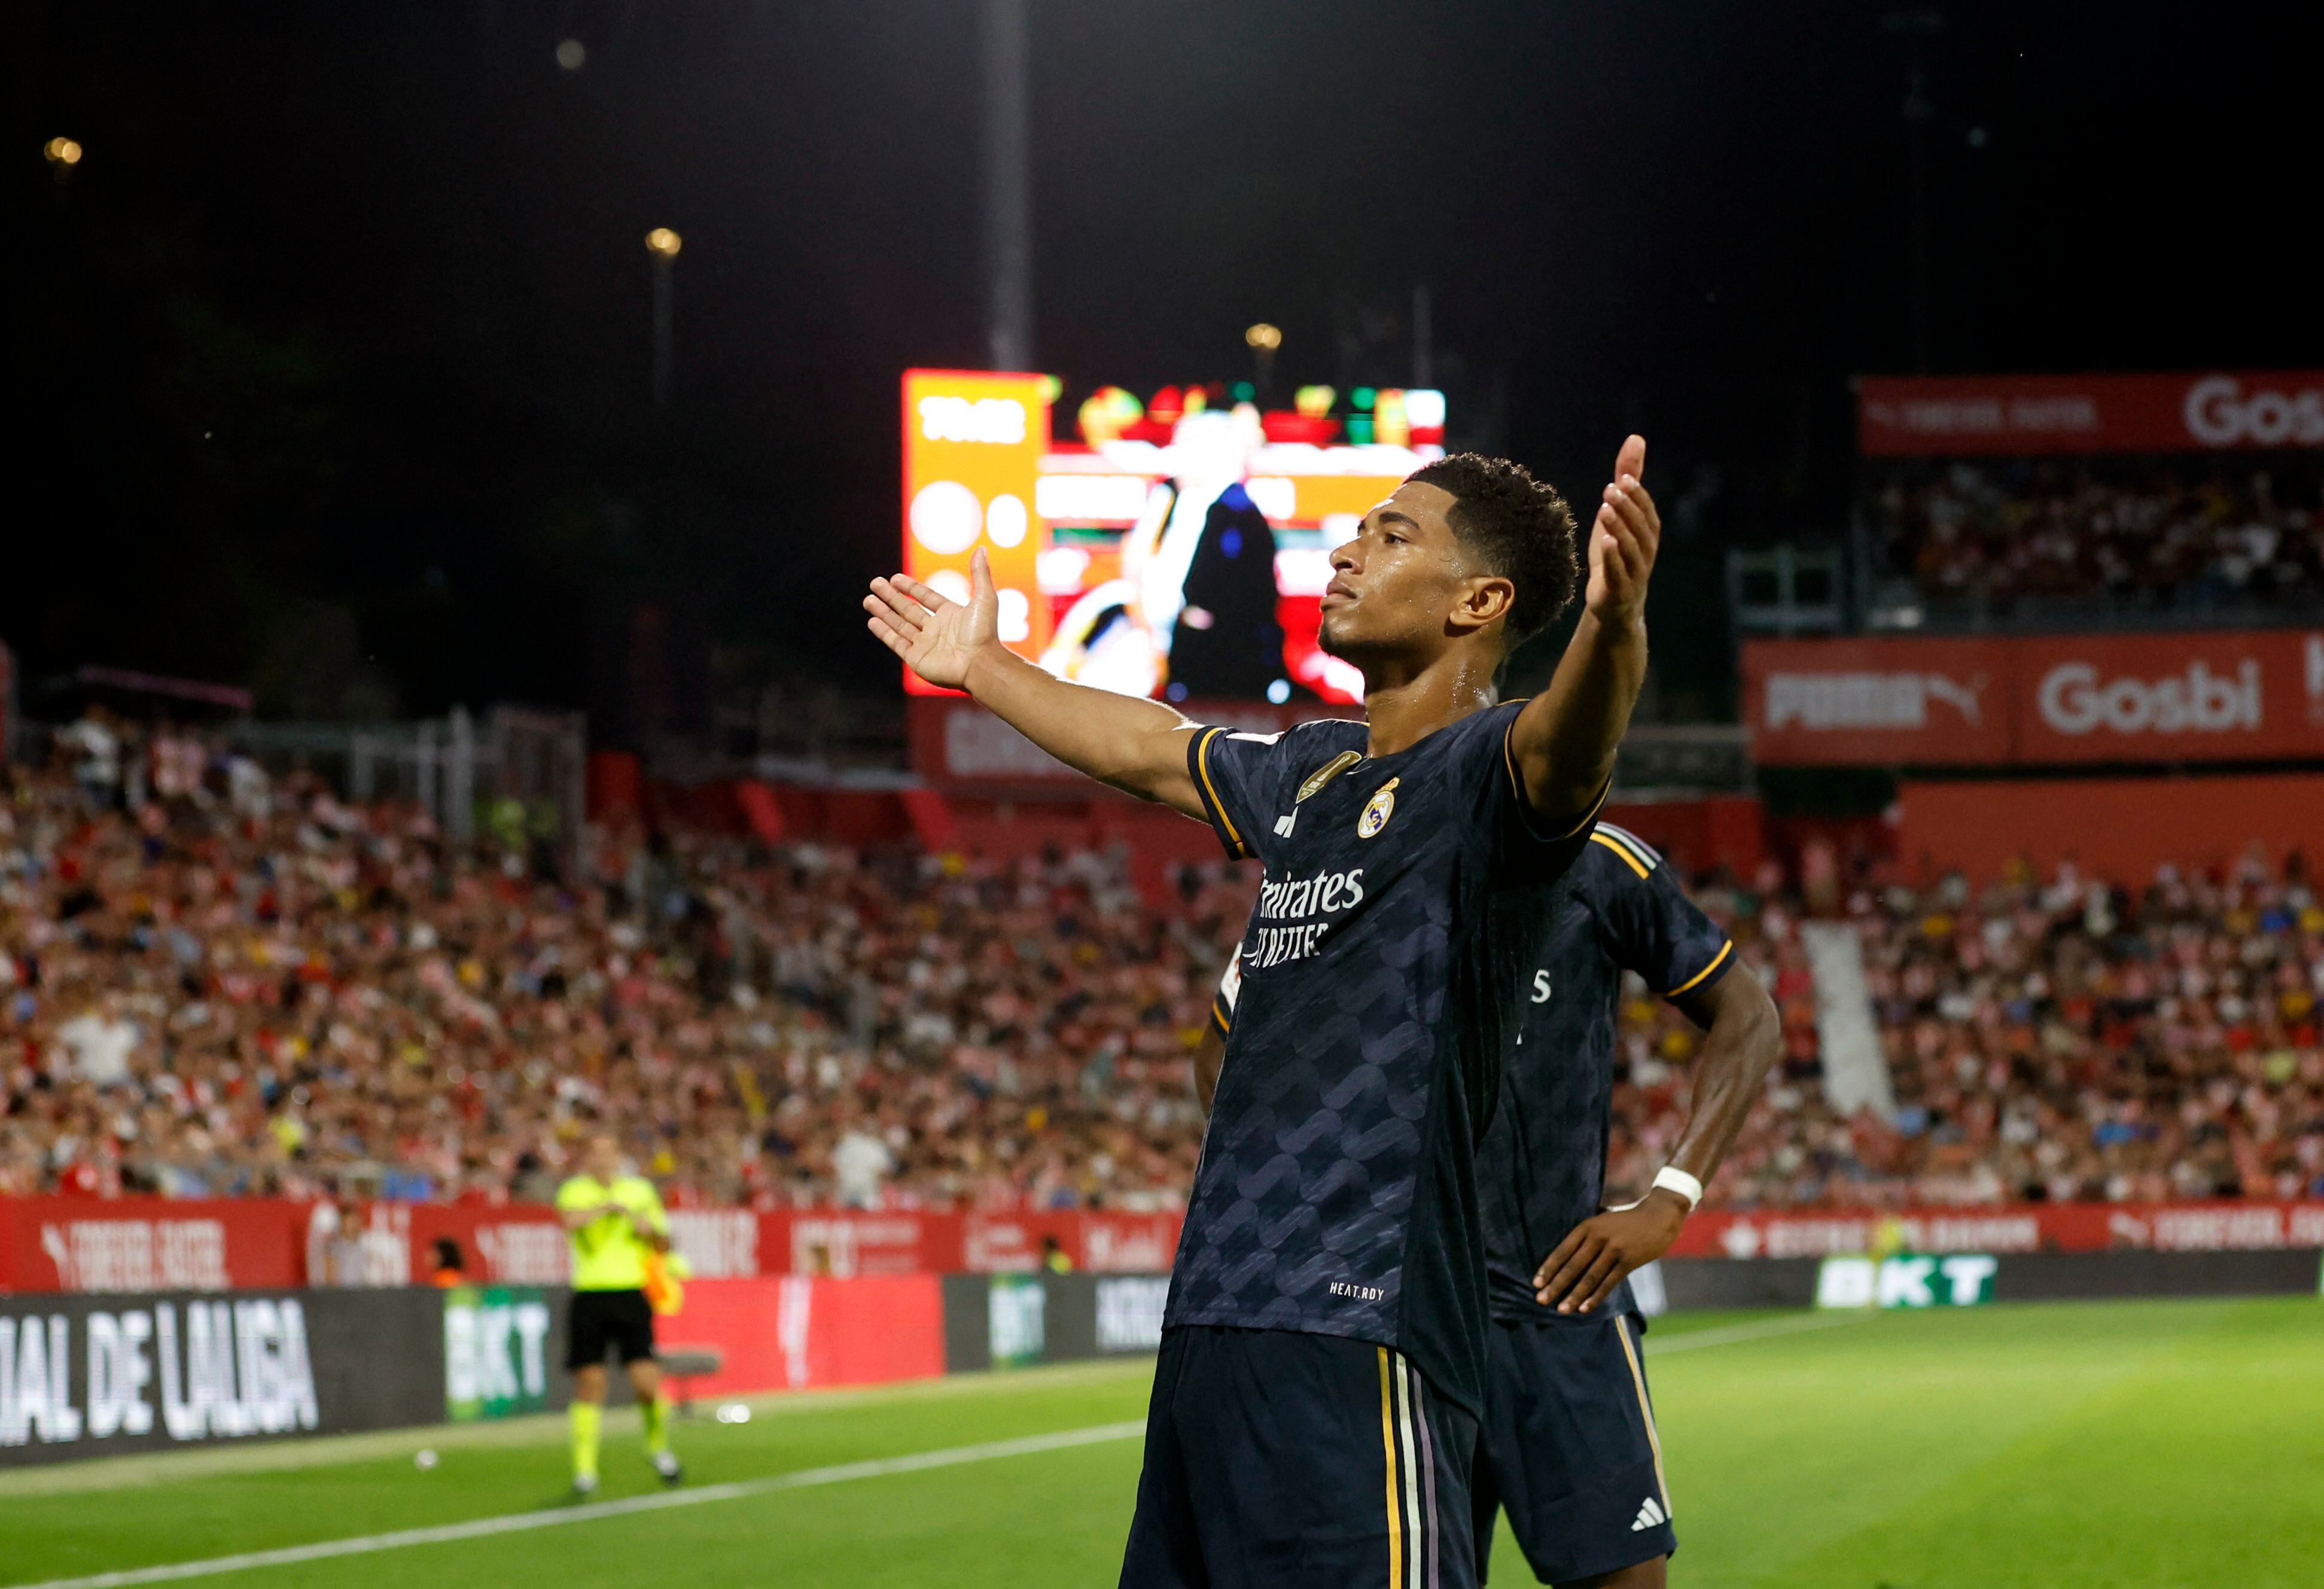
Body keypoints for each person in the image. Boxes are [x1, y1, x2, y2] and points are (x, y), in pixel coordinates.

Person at [867, 436, 1661, 1589]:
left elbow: (1572, 738)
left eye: (1393, 536)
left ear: (1479, 601)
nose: (1347, 550)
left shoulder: (1491, 778)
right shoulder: (1314, 772)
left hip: (1362, 1332)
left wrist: (1615, 626)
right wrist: (984, 667)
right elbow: (1149, 747)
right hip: (1211, 1329)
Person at [1471, 823, 1781, 1588]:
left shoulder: (1592, 860)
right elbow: (1225, 1047)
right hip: (1408, 1322)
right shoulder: (1362, 846)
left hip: (1559, 1298)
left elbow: (1749, 1015)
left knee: (1628, 1579)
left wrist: (1671, 1196)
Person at [556, 1132, 681, 1494]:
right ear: (587, 1158)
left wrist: (650, 1230)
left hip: (630, 1294)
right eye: (595, 1152)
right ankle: (585, 1471)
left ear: (617, 1156)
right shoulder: (575, 1191)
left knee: (646, 1382)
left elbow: (664, 1240)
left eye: (608, 1152)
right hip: (590, 1295)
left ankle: (658, 1448)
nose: (602, 1160)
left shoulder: (640, 1191)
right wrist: (606, 1208)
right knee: (590, 1384)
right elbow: (568, 1222)